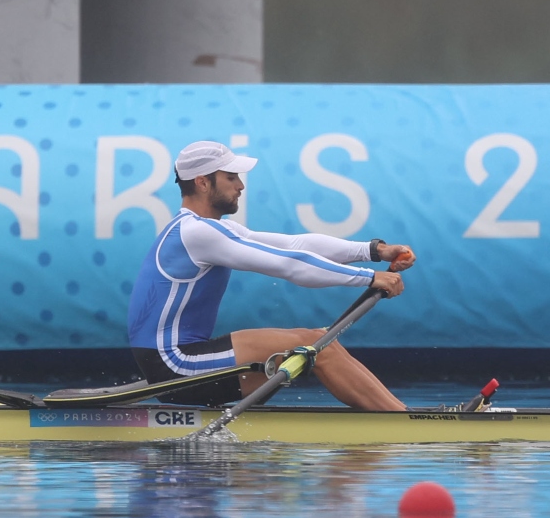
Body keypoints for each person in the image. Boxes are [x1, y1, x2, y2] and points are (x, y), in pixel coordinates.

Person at [126, 140, 413, 411]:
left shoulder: (207, 229)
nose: (240, 186)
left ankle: (402, 415)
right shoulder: (197, 232)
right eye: (231, 177)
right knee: (317, 346)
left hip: (177, 361)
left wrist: (374, 250)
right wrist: (369, 278)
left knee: (322, 341)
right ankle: (407, 423)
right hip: (175, 364)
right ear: (202, 182)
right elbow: (290, 264)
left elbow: (295, 245)